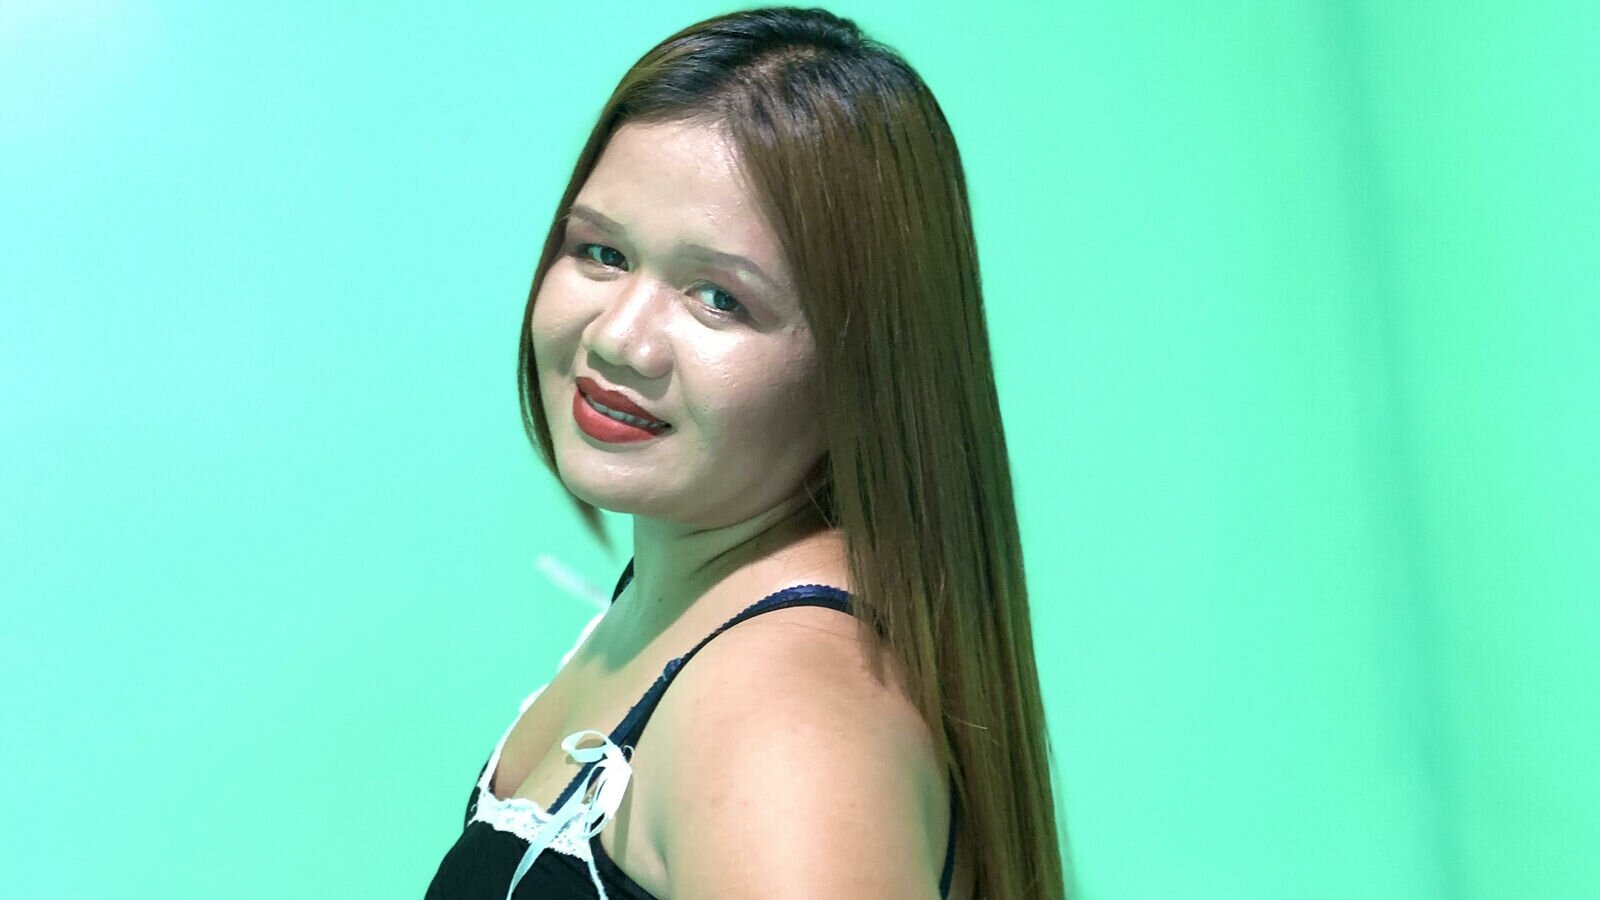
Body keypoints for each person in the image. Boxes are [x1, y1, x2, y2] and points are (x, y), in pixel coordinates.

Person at [427, 6, 1070, 898]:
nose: (618, 339)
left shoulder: (785, 720)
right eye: (602, 251)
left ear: (860, 366)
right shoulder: (680, 599)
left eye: (719, 298)